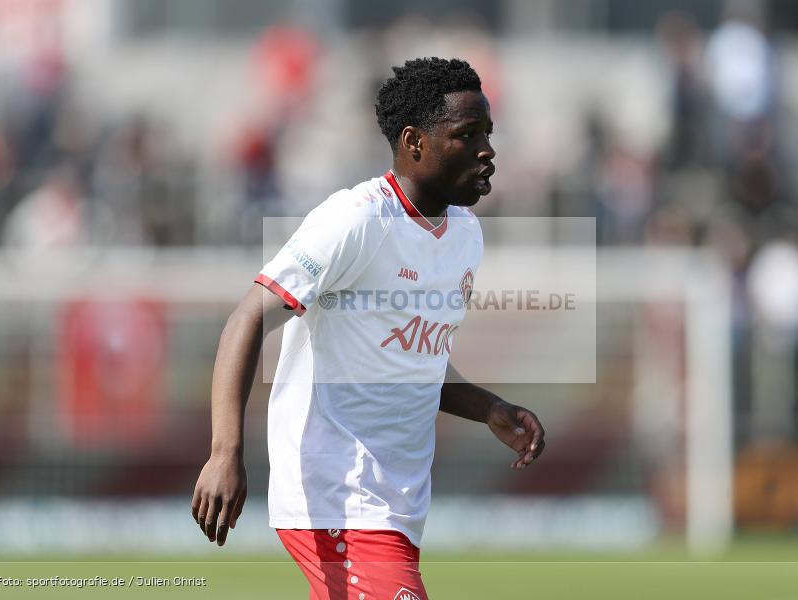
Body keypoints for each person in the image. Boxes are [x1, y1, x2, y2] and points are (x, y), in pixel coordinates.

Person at [192, 57, 546, 600]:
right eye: (467, 134)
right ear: (415, 142)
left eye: (488, 133)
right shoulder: (355, 221)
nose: (487, 150)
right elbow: (248, 319)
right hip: (339, 498)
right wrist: (225, 451)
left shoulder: (465, 234)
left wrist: (488, 408)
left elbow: (413, 360)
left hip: (396, 506)